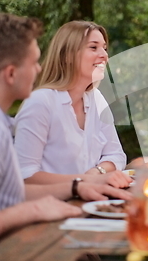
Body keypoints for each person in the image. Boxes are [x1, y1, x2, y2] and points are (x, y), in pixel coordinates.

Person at [0, 13, 131, 260]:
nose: (39, 69)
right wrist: (35, 209)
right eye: (34, 62)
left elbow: (6, 195)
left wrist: (78, 186)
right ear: (11, 73)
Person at [14, 21, 130, 187]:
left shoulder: (96, 98)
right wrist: (84, 182)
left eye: (104, 47)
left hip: (92, 201)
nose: (104, 54)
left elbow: (116, 155)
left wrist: (97, 172)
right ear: (67, 55)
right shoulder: (40, 103)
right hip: (49, 207)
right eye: (93, 47)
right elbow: (25, 175)